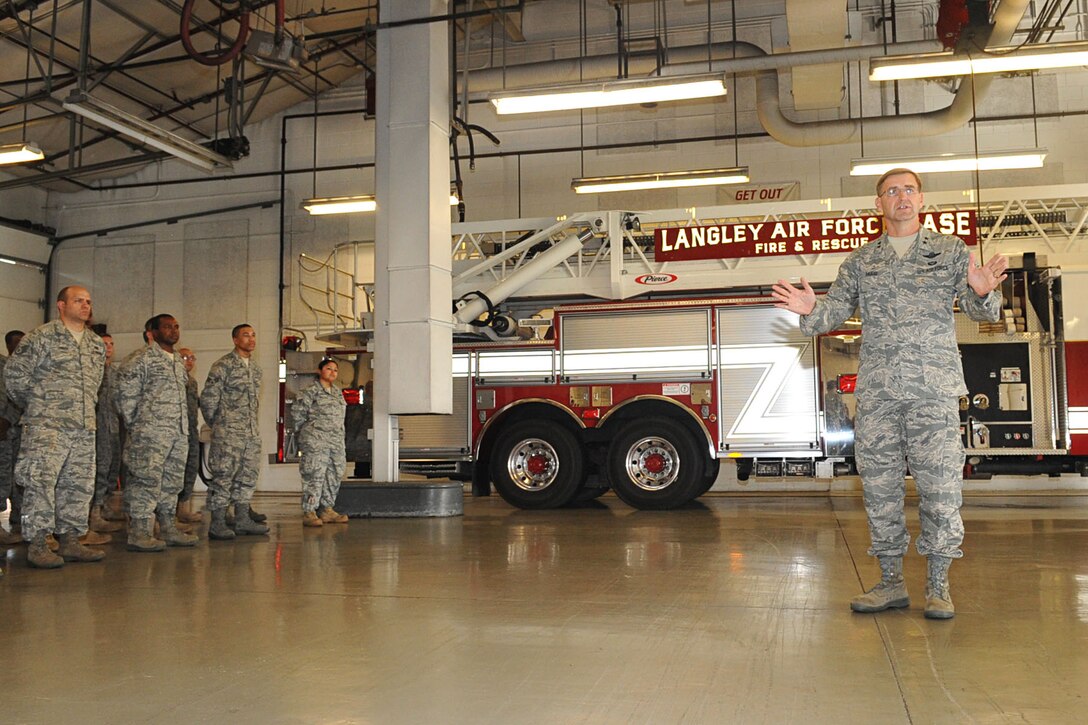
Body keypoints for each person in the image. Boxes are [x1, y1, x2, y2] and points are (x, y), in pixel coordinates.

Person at [771, 168, 1008, 620]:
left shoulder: (950, 251)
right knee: (879, 492)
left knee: (941, 491)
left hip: (933, 393)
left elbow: (981, 309)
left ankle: (938, 587)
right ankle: (890, 583)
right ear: (878, 204)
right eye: (891, 191)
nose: (901, 197)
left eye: (909, 190)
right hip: (878, 394)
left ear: (922, 200)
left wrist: (983, 294)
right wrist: (810, 312)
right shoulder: (861, 262)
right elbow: (833, 311)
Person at [3, 287, 107, 568]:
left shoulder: (95, 344)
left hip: (84, 427)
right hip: (46, 427)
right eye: (78, 301)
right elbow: (14, 376)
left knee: (78, 484)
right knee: (40, 483)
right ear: (61, 305)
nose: (85, 305)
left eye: (88, 301)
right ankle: (38, 544)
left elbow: (95, 383)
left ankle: (71, 540)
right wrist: (40, 406)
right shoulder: (41, 337)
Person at [115, 314, 198, 550]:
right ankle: (139, 532)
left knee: (172, 482)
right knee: (146, 481)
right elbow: (125, 398)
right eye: (167, 327)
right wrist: (141, 426)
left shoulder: (177, 362)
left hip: (177, 434)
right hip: (150, 434)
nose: (173, 330)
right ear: (152, 331)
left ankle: (168, 527)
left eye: (176, 326)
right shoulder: (140, 359)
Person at [199, 323, 268, 539]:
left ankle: (242, 520)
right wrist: (220, 424)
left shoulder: (255, 369)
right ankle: (218, 522)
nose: (251, 339)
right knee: (224, 476)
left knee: (247, 476)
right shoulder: (223, 366)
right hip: (228, 432)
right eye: (245, 335)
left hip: (250, 433)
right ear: (235, 340)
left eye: (254, 335)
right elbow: (209, 400)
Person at [292, 358, 349, 527]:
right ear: (320, 371)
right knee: (314, 474)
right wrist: (306, 435)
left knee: (334, 473)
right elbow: (297, 415)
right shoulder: (310, 391)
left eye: (335, 370)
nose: (332, 372)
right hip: (316, 441)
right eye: (328, 369)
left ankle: (327, 509)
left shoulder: (338, 393)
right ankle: (309, 511)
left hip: (335, 442)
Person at [88, 331, 124, 535]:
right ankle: (94, 513)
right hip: (97, 428)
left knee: (112, 467)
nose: (108, 347)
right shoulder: (93, 371)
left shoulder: (115, 372)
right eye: (104, 343)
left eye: (111, 343)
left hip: (113, 427)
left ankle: (105, 506)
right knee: (100, 469)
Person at [0, 331, 26, 546]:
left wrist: (7, 420)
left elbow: (16, 398)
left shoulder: (7, 367)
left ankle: (18, 518)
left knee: (12, 477)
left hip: (9, 432)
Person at [176, 347, 204, 525]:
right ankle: (169, 513)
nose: (189, 361)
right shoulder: (172, 380)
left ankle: (183, 508)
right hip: (176, 432)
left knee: (190, 468)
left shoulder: (192, 382)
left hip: (191, 432)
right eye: (185, 357)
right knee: (174, 472)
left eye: (192, 357)